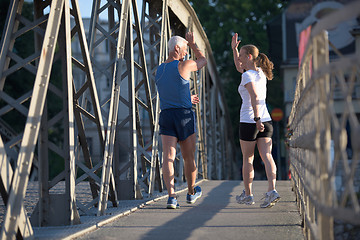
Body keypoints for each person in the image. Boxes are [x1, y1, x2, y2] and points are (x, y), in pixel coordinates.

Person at [155, 32, 207, 209]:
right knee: (188, 156)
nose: (186, 53)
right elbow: (202, 61)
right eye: (185, 50)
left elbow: (169, 90)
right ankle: (191, 192)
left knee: (168, 157)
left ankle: (171, 197)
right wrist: (193, 44)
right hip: (183, 116)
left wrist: (185, 96)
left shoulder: (159, 69)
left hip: (167, 115)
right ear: (177, 48)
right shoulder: (184, 65)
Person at [231, 33, 281, 208]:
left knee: (248, 159)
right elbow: (239, 66)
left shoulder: (247, 76)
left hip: (250, 121)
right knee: (267, 156)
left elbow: (253, 96)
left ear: (249, 56)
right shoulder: (260, 72)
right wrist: (234, 49)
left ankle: (248, 195)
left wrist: (256, 119)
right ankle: (271, 190)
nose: (239, 59)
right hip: (266, 121)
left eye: (242, 56)